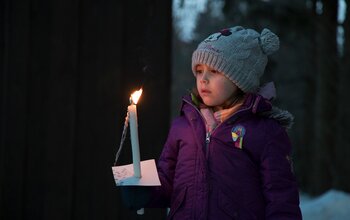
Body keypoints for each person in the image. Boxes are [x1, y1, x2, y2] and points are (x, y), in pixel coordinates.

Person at [121, 26, 302, 220]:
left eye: (214, 71)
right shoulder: (182, 126)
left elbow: (281, 198)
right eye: (199, 71)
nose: (203, 79)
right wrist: (146, 191)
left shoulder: (264, 132)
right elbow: (168, 181)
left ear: (240, 80)